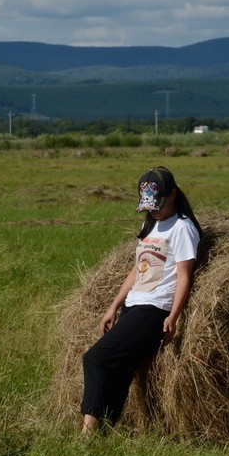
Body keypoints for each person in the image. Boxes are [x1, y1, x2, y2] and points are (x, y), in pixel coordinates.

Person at [81, 166, 201, 434]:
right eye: (148, 206)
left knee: (95, 358)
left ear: (172, 194)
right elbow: (138, 269)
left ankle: (87, 435)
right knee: (121, 369)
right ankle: (108, 428)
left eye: (157, 204)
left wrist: (174, 315)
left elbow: (184, 276)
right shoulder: (153, 223)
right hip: (134, 305)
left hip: (154, 309)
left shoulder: (183, 228)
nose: (153, 210)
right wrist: (114, 306)